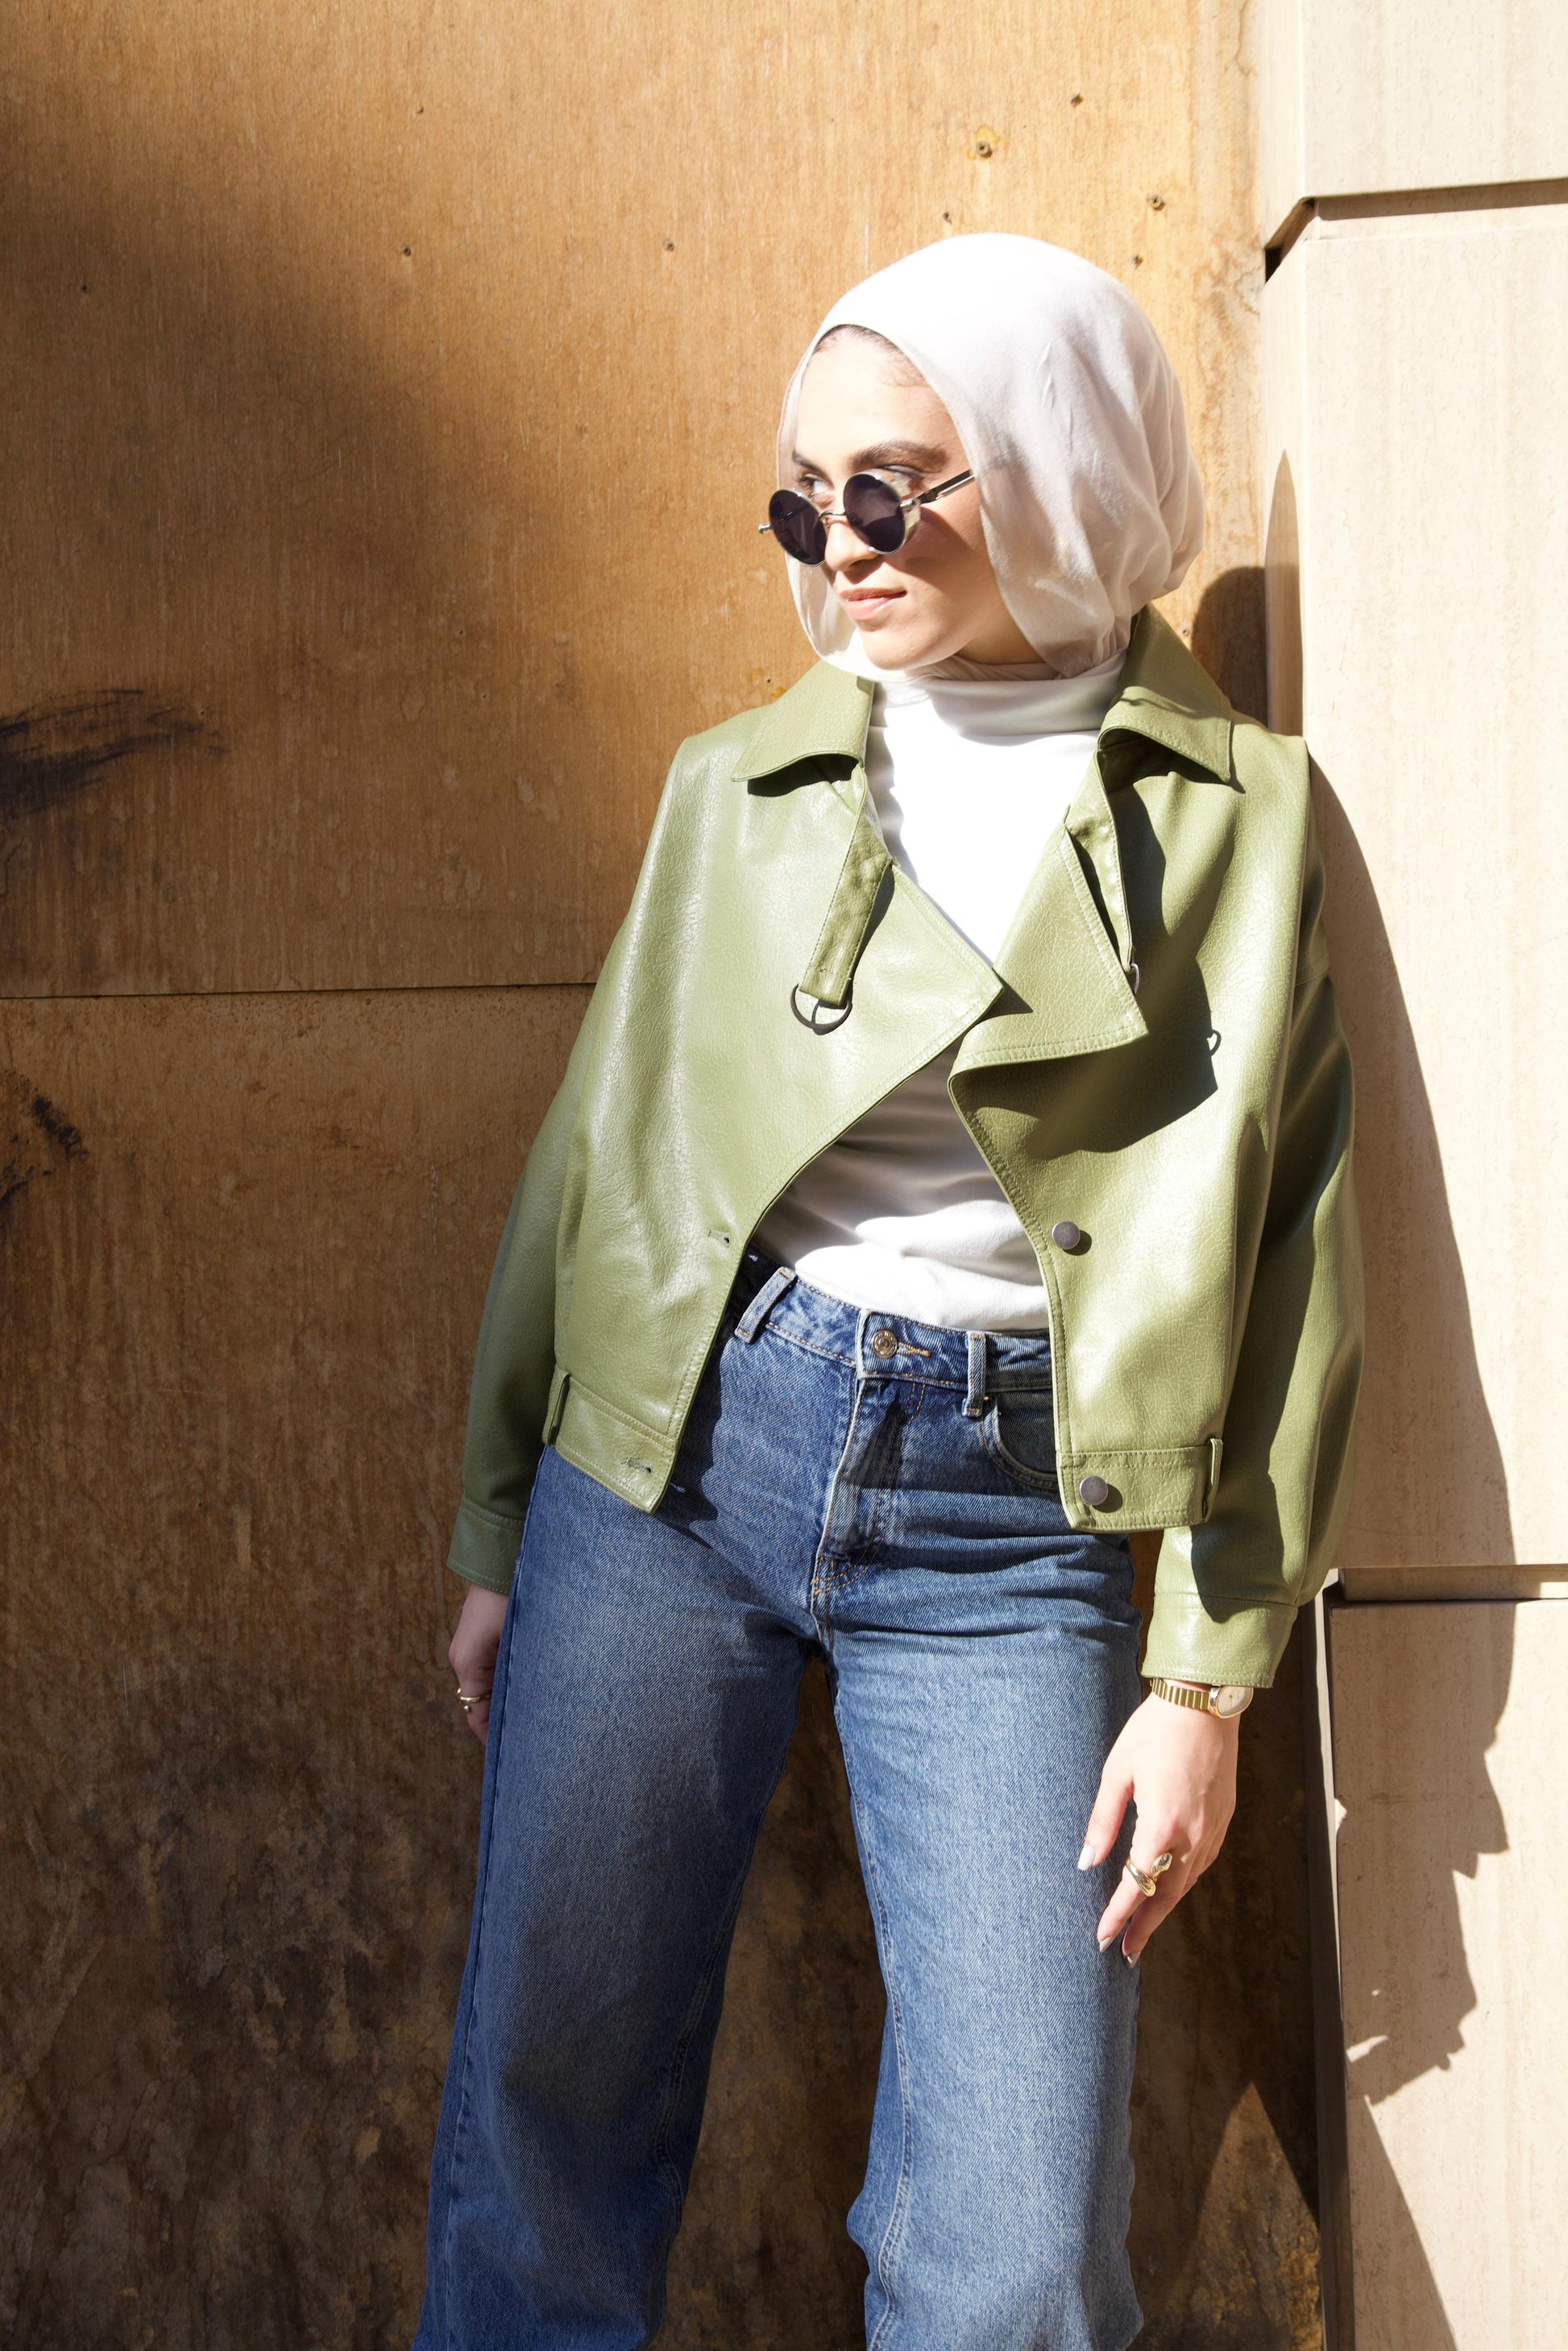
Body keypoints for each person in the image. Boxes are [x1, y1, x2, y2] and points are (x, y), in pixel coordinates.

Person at [412, 233, 1362, 2351]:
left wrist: (1208, 1677)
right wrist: (499, 1523)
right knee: (547, 2102)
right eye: (801, 498)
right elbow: (598, 1154)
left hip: (1013, 1522)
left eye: (888, 487)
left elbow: (1291, 1244)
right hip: (674, 1464)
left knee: (1017, 2237)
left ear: (1058, 467)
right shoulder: (734, 783)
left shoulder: (1239, 818)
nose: (836, 545)